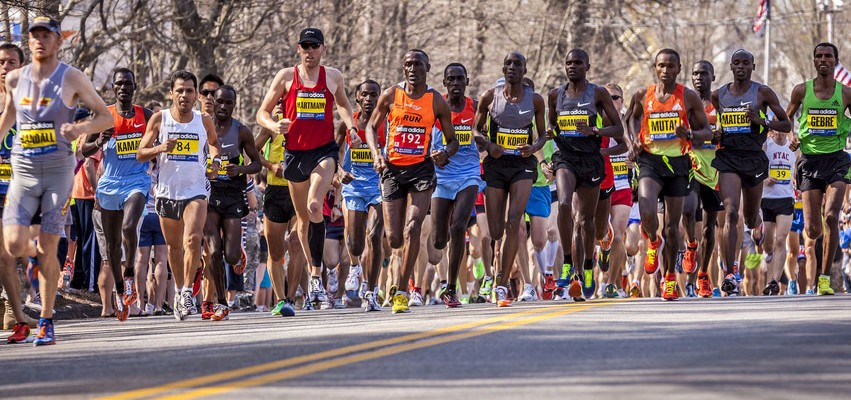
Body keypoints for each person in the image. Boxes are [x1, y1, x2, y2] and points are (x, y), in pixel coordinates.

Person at [0, 17, 114, 345]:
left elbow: (104, 116)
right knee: (12, 245)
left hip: (58, 173)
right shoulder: (15, 79)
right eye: (34, 36)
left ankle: (47, 320)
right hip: (23, 172)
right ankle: (38, 254)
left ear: (57, 41)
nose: (39, 41)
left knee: (49, 247)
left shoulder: (71, 77)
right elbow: (9, 116)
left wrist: (78, 129)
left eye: (45, 36)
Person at [256, 27, 358, 306]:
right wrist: (275, 125)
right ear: (298, 49)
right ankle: (313, 273)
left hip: (323, 151)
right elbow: (261, 112)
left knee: (315, 205)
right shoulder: (286, 77)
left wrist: (352, 128)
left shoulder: (333, 76)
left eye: (315, 46)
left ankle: (315, 275)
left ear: (324, 49)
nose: (309, 51)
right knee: (303, 221)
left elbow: (345, 106)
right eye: (305, 46)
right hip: (295, 153)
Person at [365, 49, 458, 313]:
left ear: (428, 67)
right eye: (408, 64)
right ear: (403, 68)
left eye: (418, 64)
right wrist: (376, 155)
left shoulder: (436, 101)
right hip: (392, 170)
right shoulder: (392, 95)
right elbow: (371, 127)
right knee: (393, 239)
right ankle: (375, 289)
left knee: (413, 227)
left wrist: (444, 153)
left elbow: (453, 141)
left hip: (421, 171)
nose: (413, 68)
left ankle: (403, 292)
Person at [625, 48, 711, 301]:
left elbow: (707, 130)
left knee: (673, 228)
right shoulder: (643, 94)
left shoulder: (688, 98)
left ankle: (669, 279)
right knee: (647, 209)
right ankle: (653, 240)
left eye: (670, 66)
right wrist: (633, 142)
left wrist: (691, 135)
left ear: (678, 69)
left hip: (678, 165)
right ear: (655, 67)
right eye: (661, 65)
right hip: (650, 161)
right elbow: (631, 118)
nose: (665, 70)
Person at [137, 70, 221, 321]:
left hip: (195, 190)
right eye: (180, 90)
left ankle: (186, 292)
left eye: (189, 91)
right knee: (174, 247)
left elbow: (214, 143)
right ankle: (178, 292)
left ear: (196, 95)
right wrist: (161, 147)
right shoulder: (160, 119)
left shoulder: (203, 120)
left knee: (193, 239)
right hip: (166, 192)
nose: (184, 95)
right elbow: (141, 153)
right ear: (171, 93)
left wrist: (215, 160)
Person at [711, 49, 791, 296]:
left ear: (753, 66)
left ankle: (758, 225)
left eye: (746, 63)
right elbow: (718, 124)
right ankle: (730, 273)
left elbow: (786, 124)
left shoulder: (763, 92)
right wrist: (717, 133)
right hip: (728, 158)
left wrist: (762, 121)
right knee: (731, 212)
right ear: (731, 67)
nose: (741, 67)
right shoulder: (719, 95)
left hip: (754, 159)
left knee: (750, 218)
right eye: (736, 63)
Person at [473, 52, 549, 307]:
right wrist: (489, 143)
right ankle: (497, 271)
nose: (513, 68)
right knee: (495, 231)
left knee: (514, 222)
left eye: (518, 64)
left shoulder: (535, 100)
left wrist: (533, 147)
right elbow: (475, 130)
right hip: (496, 164)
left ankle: (502, 284)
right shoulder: (489, 97)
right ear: (503, 69)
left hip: (522, 165)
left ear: (525, 69)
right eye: (508, 64)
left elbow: (542, 136)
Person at [548, 49, 624, 301]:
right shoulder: (555, 95)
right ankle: (569, 265)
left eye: (578, 62)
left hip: (591, 160)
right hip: (566, 158)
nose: (572, 66)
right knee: (565, 205)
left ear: (587, 66)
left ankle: (589, 264)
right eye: (568, 62)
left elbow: (617, 129)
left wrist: (594, 131)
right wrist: (549, 138)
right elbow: (553, 127)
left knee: (586, 221)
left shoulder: (598, 93)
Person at [81, 68, 153, 321]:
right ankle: (121, 289)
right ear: (113, 88)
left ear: (135, 87)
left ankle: (130, 272)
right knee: (111, 245)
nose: (124, 88)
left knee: (129, 226)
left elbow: (161, 140)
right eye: (119, 84)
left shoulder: (146, 115)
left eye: (128, 84)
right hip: (109, 183)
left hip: (137, 180)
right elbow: (83, 150)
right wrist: (100, 141)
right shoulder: (104, 115)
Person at [785, 42, 851, 295]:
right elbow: (786, 116)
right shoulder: (802, 90)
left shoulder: (845, 93)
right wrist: (791, 134)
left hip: (836, 159)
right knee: (813, 229)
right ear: (814, 61)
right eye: (819, 56)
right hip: (810, 161)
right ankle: (815, 268)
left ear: (835, 60)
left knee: (832, 217)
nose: (823, 60)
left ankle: (824, 279)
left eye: (828, 56)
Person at [202, 85, 260, 321]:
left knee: (231, 257)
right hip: (210, 193)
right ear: (212, 102)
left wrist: (242, 169)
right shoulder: (203, 128)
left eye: (229, 103)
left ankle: (237, 252)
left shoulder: (241, 131)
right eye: (220, 102)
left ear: (234, 105)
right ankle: (222, 303)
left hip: (234, 194)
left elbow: (257, 163)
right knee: (214, 252)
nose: (224, 107)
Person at [430, 63, 484, 307]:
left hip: (469, 174)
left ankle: (451, 288)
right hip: (441, 176)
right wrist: (433, 154)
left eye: (459, 79)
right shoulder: (436, 106)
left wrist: (484, 142)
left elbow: (483, 135)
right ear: (444, 83)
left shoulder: (475, 108)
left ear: (467, 81)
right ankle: (440, 243)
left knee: (458, 225)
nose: (455, 83)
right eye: (450, 79)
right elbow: (424, 138)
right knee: (439, 241)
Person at [336, 79, 385, 312]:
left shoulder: (385, 123)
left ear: (379, 97)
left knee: (374, 235)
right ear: (357, 97)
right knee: (355, 243)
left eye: (373, 95)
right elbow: (332, 151)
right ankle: (355, 265)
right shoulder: (348, 123)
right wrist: (339, 170)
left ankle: (372, 290)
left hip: (379, 187)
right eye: (364, 95)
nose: (369, 99)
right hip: (354, 186)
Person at [684, 60, 724, 298]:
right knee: (689, 210)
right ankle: (690, 245)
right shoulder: (685, 102)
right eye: (695, 74)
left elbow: (731, 131)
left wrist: (721, 135)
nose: (699, 78)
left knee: (710, 227)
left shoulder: (719, 103)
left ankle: (703, 274)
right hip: (691, 164)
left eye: (704, 74)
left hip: (715, 168)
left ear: (713, 77)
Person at [0, 42, 30, 343]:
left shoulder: (31, 103)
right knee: (5, 255)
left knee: (21, 251)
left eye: (11, 62)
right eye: (0, 62)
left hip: (23, 189)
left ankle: (15, 308)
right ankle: (16, 316)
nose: (4, 67)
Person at [761, 129, 796, 295]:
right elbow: (756, 166)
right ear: (772, 131)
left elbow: (797, 169)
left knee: (781, 240)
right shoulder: (766, 145)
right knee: (768, 245)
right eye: (777, 130)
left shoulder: (793, 147)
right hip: (767, 199)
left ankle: (774, 281)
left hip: (786, 199)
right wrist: (763, 178)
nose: (780, 134)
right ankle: (768, 258)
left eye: (784, 130)